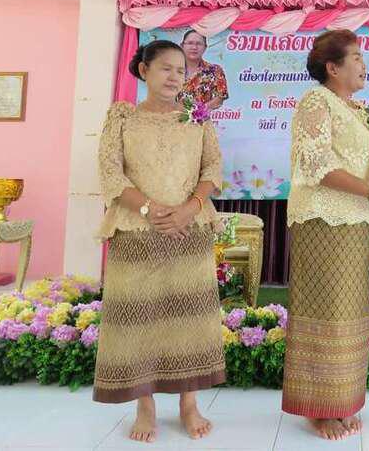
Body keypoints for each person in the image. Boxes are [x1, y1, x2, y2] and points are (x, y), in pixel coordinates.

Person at [281, 29, 369, 441]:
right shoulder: (316, 101)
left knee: (351, 312)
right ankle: (319, 410)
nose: (363, 63)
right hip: (323, 221)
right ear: (332, 67)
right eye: (355, 57)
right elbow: (316, 165)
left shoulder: (356, 109)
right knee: (326, 312)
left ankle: (342, 402)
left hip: (358, 221)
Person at [94, 39, 226, 443]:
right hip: (137, 232)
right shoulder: (123, 118)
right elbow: (111, 173)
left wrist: (189, 208)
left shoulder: (197, 118)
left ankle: (189, 405)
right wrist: (150, 210)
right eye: (166, 68)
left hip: (189, 230)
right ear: (144, 70)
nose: (174, 77)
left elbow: (213, 168)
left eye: (181, 71)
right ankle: (145, 406)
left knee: (190, 318)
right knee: (139, 318)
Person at [181, 30, 229, 110]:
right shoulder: (171, 69)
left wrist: (199, 111)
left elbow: (220, 97)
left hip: (202, 117)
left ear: (205, 47)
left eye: (199, 44)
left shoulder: (215, 70)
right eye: (190, 43)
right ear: (182, 45)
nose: (194, 47)